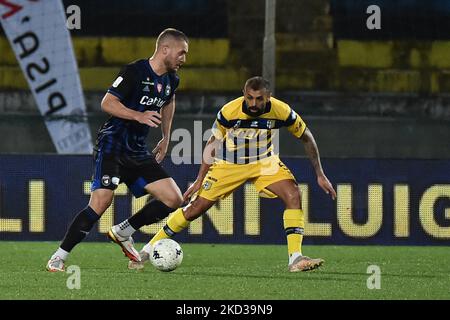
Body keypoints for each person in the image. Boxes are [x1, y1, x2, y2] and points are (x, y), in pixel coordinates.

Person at [122, 76, 337, 272]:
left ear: (268, 97)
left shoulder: (281, 111)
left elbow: (307, 137)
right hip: (229, 165)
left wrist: (320, 174)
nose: (253, 103)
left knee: (293, 195)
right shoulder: (229, 111)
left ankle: (295, 258)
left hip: (265, 163)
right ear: (244, 95)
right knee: (194, 209)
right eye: (249, 98)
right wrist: (199, 180)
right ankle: (146, 251)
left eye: (259, 99)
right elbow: (212, 143)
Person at [46, 28, 189, 272]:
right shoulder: (134, 71)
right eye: (181, 52)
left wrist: (166, 136)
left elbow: (169, 100)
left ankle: (124, 231)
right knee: (101, 201)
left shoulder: (171, 80)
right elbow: (107, 103)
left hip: (137, 150)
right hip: (112, 145)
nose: (184, 58)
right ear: (165, 49)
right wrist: (138, 115)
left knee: (174, 198)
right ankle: (58, 257)